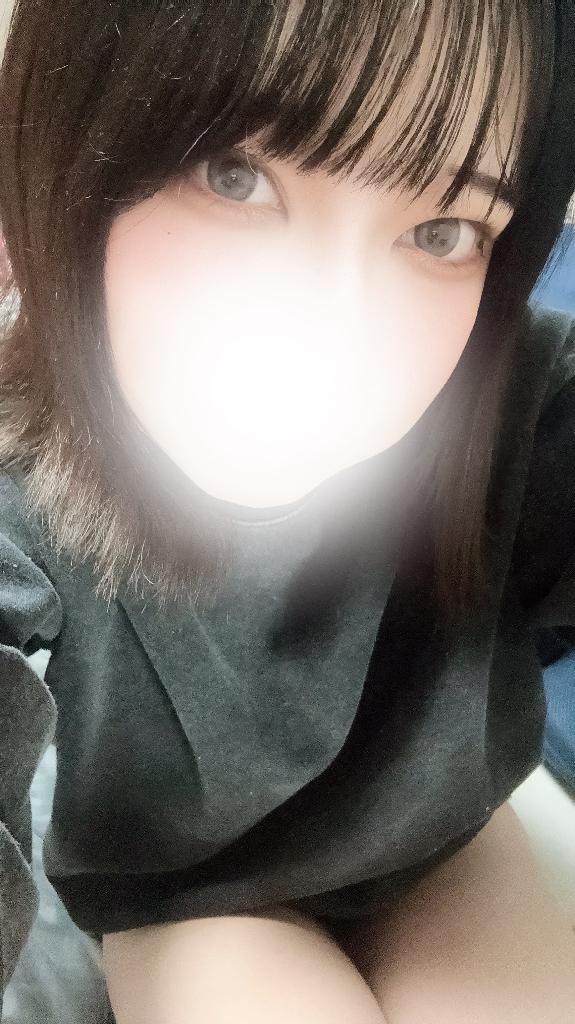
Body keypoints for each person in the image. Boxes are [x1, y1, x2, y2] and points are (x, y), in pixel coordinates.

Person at [0, 1, 574, 1022]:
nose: (339, 324)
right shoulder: (27, 451)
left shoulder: (511, 399)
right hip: (192, 883)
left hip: (443, 841)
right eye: (234, 175)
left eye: (440, 231)